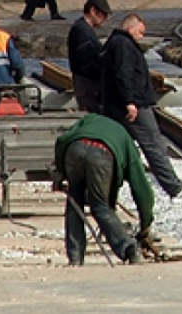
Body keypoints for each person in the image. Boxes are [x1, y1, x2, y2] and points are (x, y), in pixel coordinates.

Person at [101, 13, 182, 202]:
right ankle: (174, 189)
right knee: (154, 145)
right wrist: (129, 102)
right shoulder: (123, 45)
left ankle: (104, 187)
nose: (141, 37)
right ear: (130, 27)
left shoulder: (116, 42)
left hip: (122, 104)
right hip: (135, 105)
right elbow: (123, 75)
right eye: (140, 32)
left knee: (119, 148)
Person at [54, 113, 154, 266]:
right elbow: (141, 188)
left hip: (75, 149)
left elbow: (62, 140)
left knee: (74, 202)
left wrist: (60, 172)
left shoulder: (90, 119)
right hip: (102, 155)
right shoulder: (125, 139)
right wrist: (145, 223)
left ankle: (75, 257)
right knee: (100, 206)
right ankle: (129, 249)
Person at [67, 0, 112, 113]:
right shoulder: (82, 31)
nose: (105, 18)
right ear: (92, 11)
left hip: (85, 83)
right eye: (103, 14)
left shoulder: (83, 29)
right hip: (86, 85)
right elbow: (87, 62)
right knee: (92, 113)